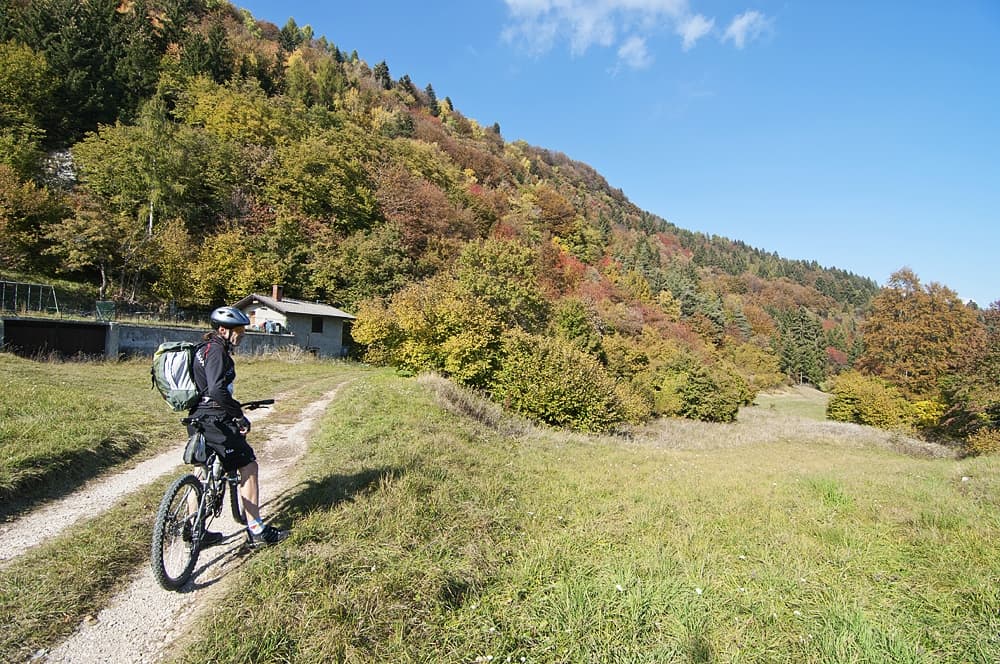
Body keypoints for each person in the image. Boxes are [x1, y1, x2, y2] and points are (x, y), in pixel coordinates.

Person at [189, 306, 289, 547]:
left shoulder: (201, 349)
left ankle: (195, 529)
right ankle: (256, 531)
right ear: (223, 330)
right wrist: (238, 416)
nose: (242, 334)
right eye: (239, 330)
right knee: (248, 466)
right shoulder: (216, 352)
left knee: (201, 469)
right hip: (216, 420)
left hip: (197, 416)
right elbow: (216, 390)